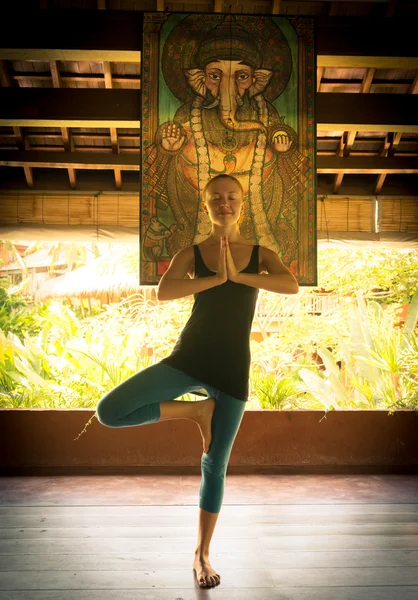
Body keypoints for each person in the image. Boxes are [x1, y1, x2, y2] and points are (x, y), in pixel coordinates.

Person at [95, 173, 299, 589]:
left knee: (215, 465)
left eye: (231, 197)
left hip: (232, 366)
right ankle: (195, 409)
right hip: (191, 356)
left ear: (243, 202)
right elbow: (164, 293)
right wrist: (216, 278)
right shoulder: (192, 253)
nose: (224, 203)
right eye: (215, 198)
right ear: (204, 205)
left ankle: (202, 554)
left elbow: (290, 286)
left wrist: (240, 277)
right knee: (109, 411)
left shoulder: (261, 253)